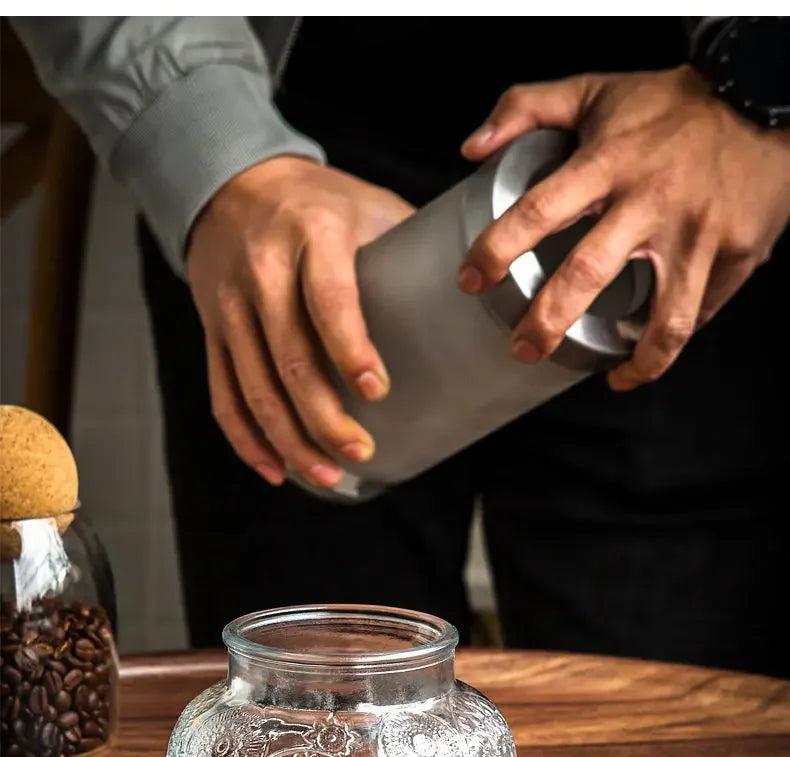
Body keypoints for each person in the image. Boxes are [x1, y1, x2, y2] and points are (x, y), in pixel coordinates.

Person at [13, 18, 790, 674]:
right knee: (307, 745)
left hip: (691, 155)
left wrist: (761, 99)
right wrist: (214, 153)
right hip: (282, 148)